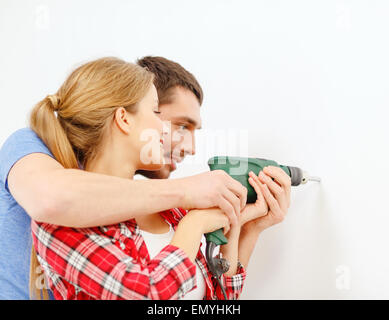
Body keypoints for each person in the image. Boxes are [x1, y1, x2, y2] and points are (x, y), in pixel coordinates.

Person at [0, 61, 248, 300]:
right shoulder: (55, 198)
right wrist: (193, 219)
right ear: (124, 118)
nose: (164, 129)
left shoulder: (165, 209)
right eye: (156, 112)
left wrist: (239, 223)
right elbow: (148, 292)